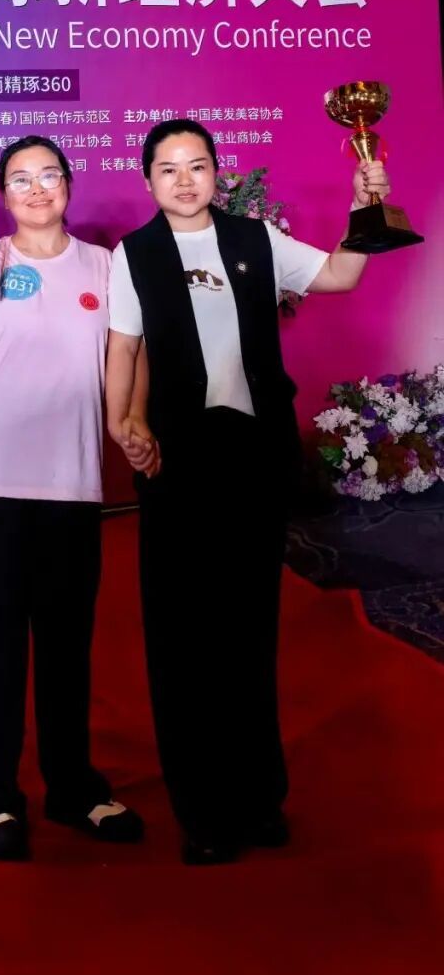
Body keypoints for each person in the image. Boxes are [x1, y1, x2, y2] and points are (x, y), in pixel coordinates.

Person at [105, 118, 389, 866]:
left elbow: (340, 275)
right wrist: (124, 421)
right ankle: (202, 810)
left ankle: (260, 796)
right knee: (184, 633)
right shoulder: (134, 255)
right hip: (177, 460)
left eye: (197, 165)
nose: (184, 180)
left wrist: (365, 207)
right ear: (148, 179)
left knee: (249, 625)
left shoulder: (255, 238)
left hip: (254, 455)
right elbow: (123, 350)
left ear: (216, 172)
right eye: (168, 168)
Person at [0, 136, 150, 862]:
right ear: (1, 194)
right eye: (21, 179)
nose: (37, 188)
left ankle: (73, 787)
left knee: (65, 646)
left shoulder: (105, 266)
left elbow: (130, 351)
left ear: (69, 185)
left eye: (49, 175)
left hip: (72, 480)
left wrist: (132, 423)